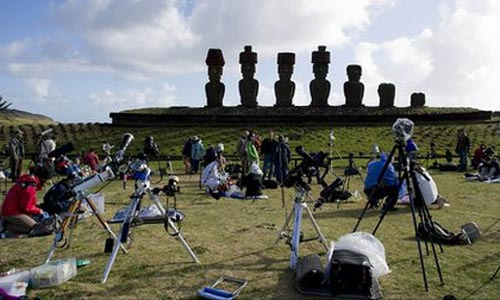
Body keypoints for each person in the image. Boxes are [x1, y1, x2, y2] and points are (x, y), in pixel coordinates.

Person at [0, 166, 51, 235]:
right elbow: (26, 207)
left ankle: (8, 224)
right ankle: (7, 227)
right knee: (37, 227)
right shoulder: (31, 186)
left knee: (35, 225)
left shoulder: (27, 181)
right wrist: (39, 211)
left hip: (9, 210)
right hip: (12, 212)